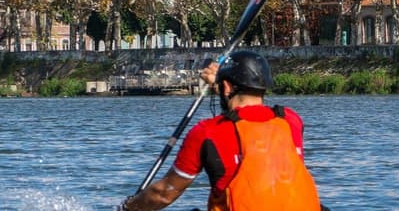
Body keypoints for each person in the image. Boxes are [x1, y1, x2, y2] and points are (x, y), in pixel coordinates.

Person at [121, 51, 321, 211]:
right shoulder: (291, 120)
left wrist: (129, 207)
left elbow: (164, 193)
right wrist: (223, 82)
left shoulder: (207, 132)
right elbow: (248, 111)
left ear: (226, 87)